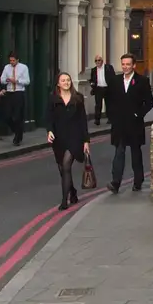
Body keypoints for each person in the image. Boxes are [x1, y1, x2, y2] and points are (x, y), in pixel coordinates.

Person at [106, 52, 153, 193]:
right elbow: (109, 101)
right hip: (119, 124)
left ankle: (138, 181)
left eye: (128, 64)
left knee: (135, 154)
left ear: (133, 65)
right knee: (119, 153)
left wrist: (138, 114)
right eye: (123, 64)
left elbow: (149, 102)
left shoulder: (142, 81)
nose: (125, 67)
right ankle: (115, 183)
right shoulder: (114, 81)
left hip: (134, 123)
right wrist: (112, 116)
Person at [46, 73, 91, 211]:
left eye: (68, 80)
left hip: (75, 137)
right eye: (63, 80)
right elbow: (48, 117)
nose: (66, 82)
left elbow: (83, 120)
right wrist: (49, 131)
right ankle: (73, 192)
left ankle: (64, 201)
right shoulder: (53, 99)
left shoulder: (77, 98)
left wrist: (86, 141)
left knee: (66, 166)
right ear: (58, 83)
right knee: (62, 169)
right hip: (59, 138)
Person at [0, 51, 31, 145]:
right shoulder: (6, 67)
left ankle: (17, 138)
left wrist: (16, 80)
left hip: (19, 92)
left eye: (13, 60)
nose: (11, 62)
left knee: (18, 116)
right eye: (10, 60)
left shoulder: (24, 67)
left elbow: (27, 81)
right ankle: (17, 132)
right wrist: (7, 80)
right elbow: (2, 80)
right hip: (9, 93)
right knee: (7, 116)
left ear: (17, 60)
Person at [88, 54, 114, 126]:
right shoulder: (93, 70)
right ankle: (97, 120)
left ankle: (110, 119)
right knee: (98, 105)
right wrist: (92, 83)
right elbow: (92, 79)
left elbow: (113, 78)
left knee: (109, 104)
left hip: (107, 88)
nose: (97, 62)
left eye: (99, 60)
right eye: (96, 61)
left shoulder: (108, 67)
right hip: (98, 89)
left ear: (102, 61)